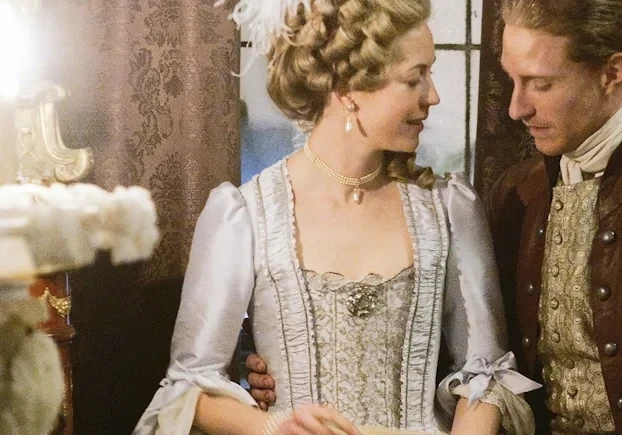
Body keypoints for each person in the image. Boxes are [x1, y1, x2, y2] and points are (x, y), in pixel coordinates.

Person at [248, 0, 622, 433]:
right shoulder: (519, 194)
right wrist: (270, 376)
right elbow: (471, 358)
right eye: (512, 80)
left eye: (541, 83)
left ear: (613, 73)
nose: (516, 108)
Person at [133, 0, 539, 434]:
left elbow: (486, 374)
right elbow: (188, 388)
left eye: (430, 73)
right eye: (414, 78)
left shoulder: (449, 207)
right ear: (348, 89)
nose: (432, 96)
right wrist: (275, 427)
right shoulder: (245, 214)